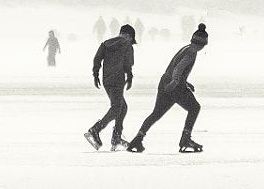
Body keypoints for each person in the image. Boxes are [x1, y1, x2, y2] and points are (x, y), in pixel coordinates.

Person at [127, 23, 209, 153]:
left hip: (164, 82)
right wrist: (176, 82)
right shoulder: (192, 52)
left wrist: (185, 83)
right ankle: (185, 139)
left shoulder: (186, 48)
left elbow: (174, 68)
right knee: (195, 108)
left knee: (156, 113)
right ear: (202, 44)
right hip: (174, 87)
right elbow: (178, 68)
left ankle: (137, 139)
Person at [86, 23, 137, 150]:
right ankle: (95, 130)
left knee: (122, 107)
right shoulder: (127, 45)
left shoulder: (106, 43)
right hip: (118, 79)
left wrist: (95, 74)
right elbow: (128, 63)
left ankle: (117, 137)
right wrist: (130, 76)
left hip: (107, 79)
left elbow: (97, 59)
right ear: (130, 36)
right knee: (116, 108)